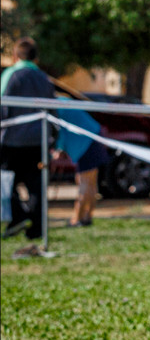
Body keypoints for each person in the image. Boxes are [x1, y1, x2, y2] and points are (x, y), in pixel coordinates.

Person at [1, 38, 57, 243]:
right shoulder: (44, 78)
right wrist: (54, 140)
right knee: (36, 186)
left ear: (15, 56)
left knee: (5, 183)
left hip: (11, 141)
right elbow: (53, 111)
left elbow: (2, 107)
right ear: (36, 57)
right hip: (38, 142)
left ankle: (18, 215)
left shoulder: (10, 74)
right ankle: (36, 229)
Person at [54, 107, 110, 227]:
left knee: (84, 182)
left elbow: (60, 133)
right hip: (94, 137)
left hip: (86, 144)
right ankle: (86, 217)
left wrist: (59, 148)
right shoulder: (63, 101)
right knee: (90, 182)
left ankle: (77, 218)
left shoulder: (56, 108)